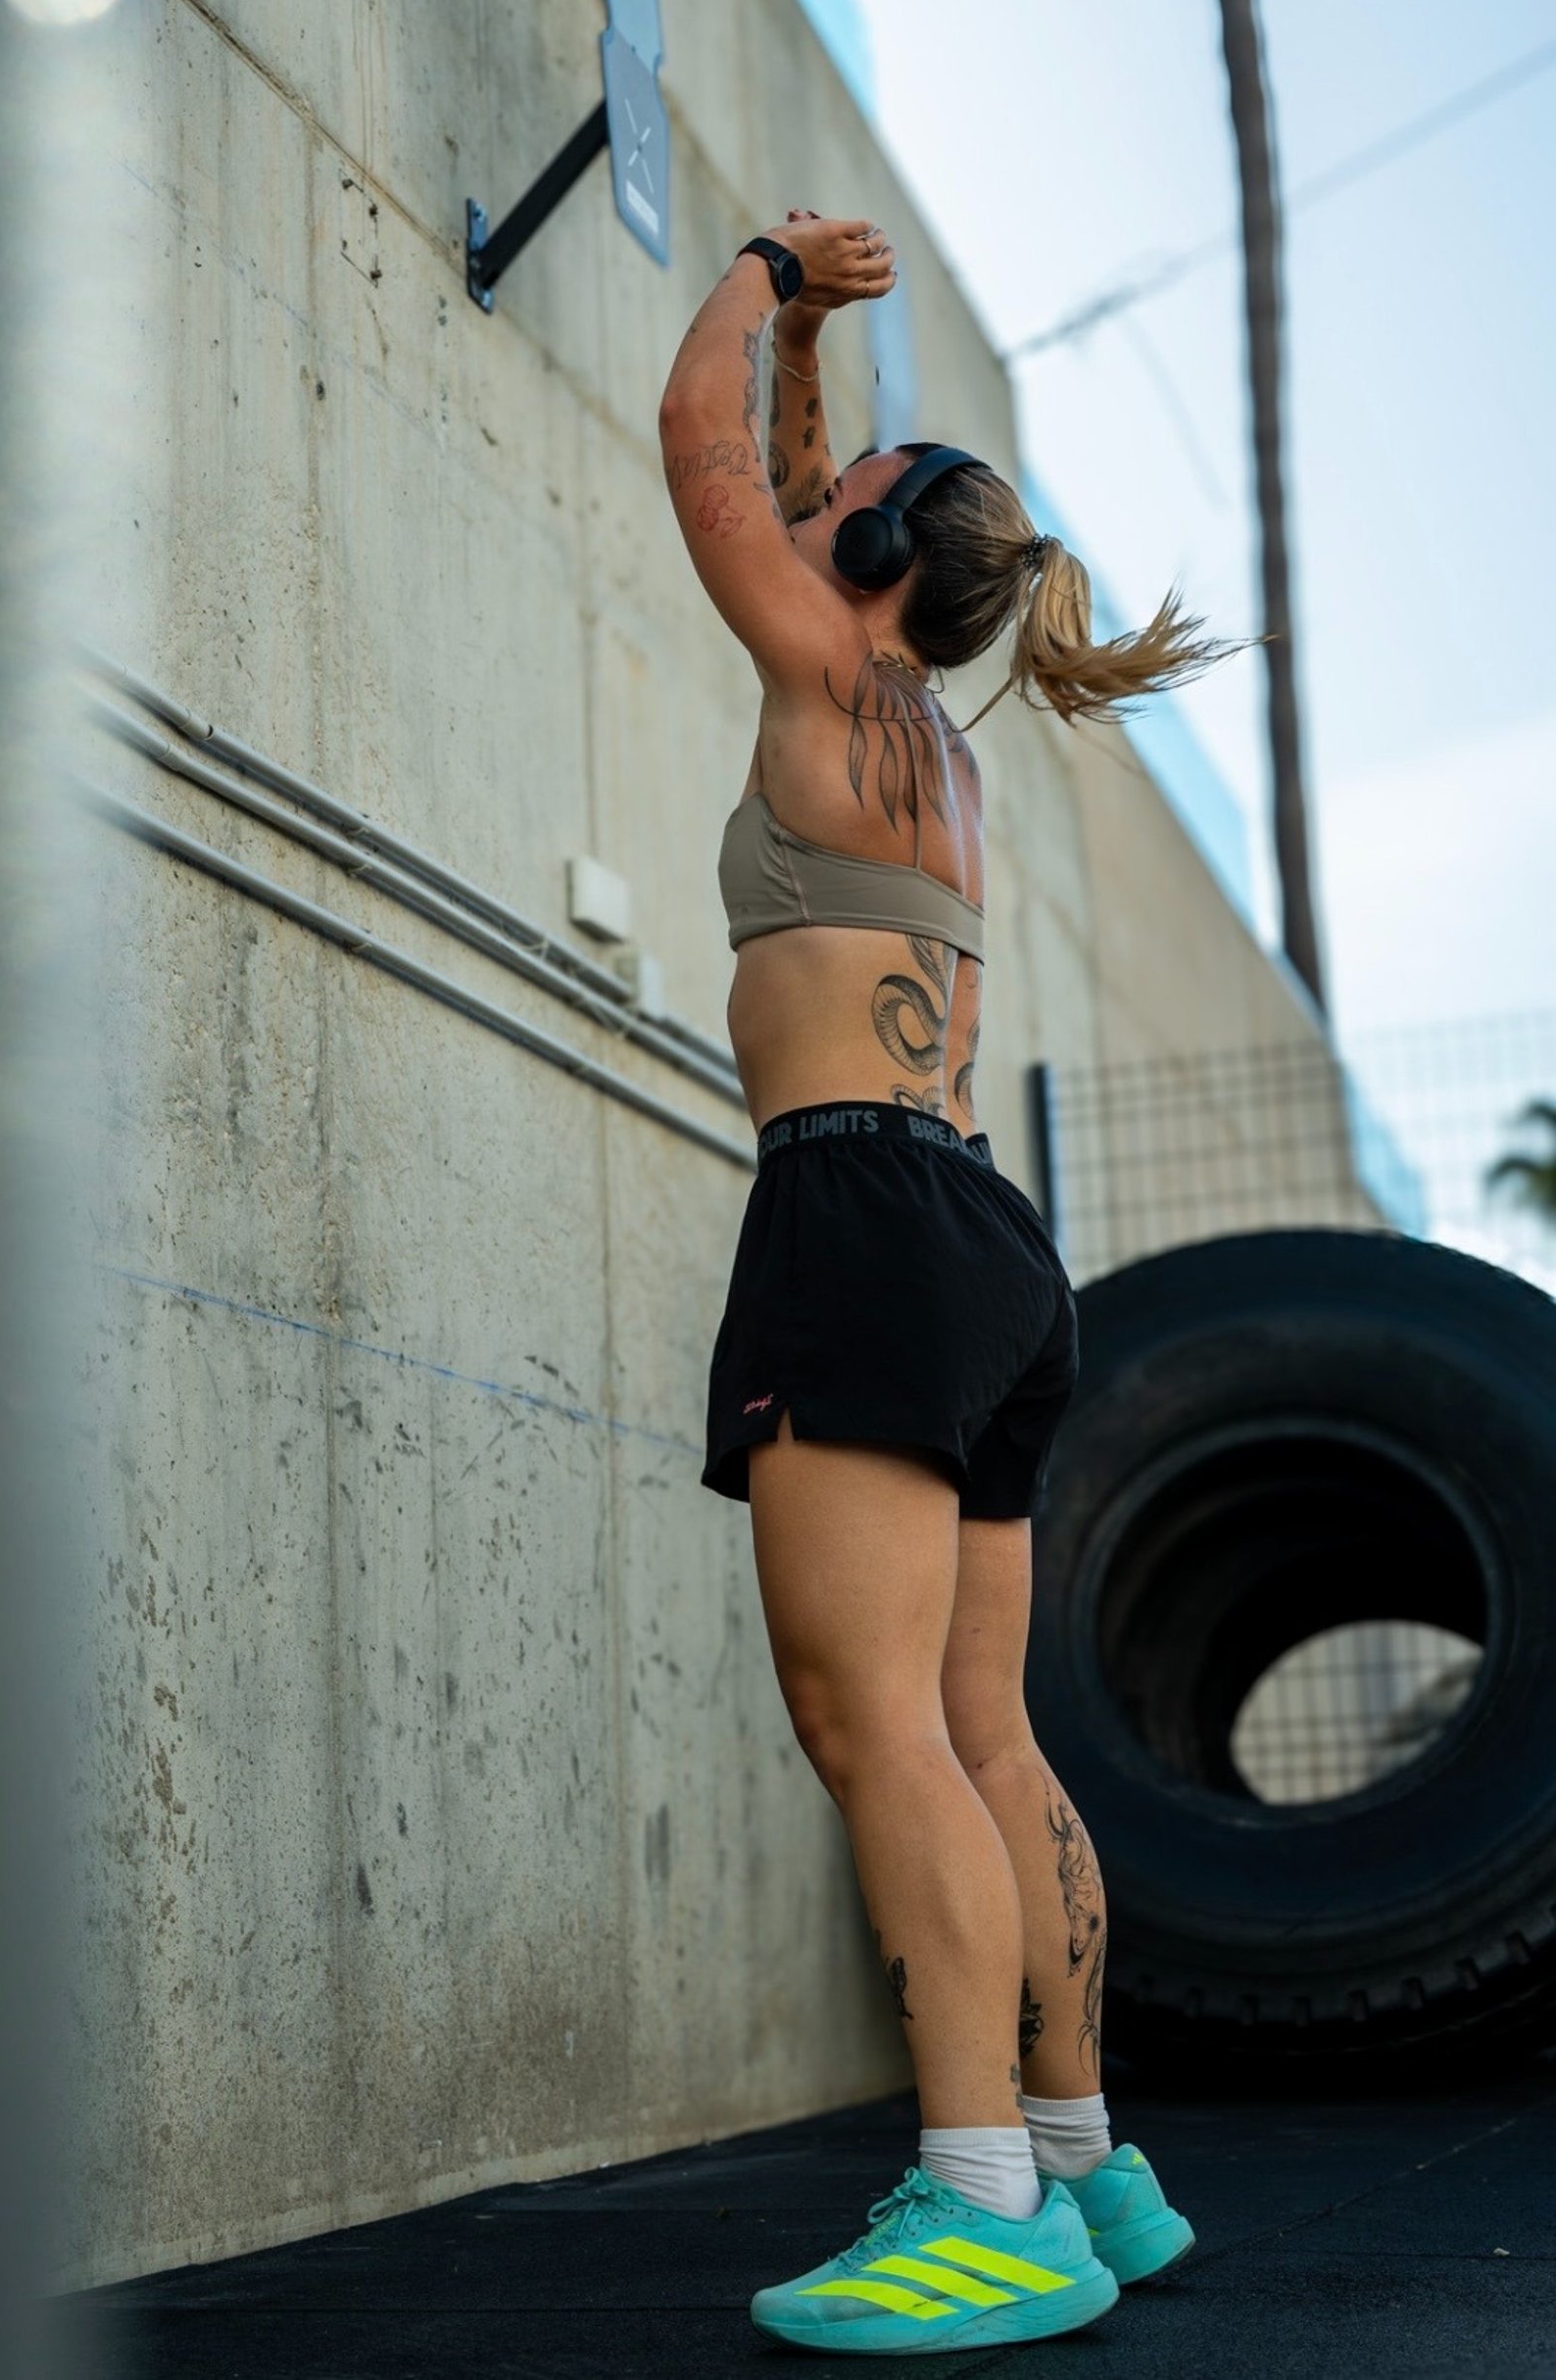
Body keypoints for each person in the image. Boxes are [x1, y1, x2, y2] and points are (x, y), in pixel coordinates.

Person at [657, 213, 1218, 2355]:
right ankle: (1088, 2163)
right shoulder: (937, 741)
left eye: (858, 491)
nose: (832, 489)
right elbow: (796, 480)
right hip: (986, 1238)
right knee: (982, 1720)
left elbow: (697, 441)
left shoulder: (821, 665)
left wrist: (755, 265)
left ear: (876, 546)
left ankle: (978, 2201)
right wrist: (820, 337)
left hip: (865, 1221)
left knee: (868, 1718)